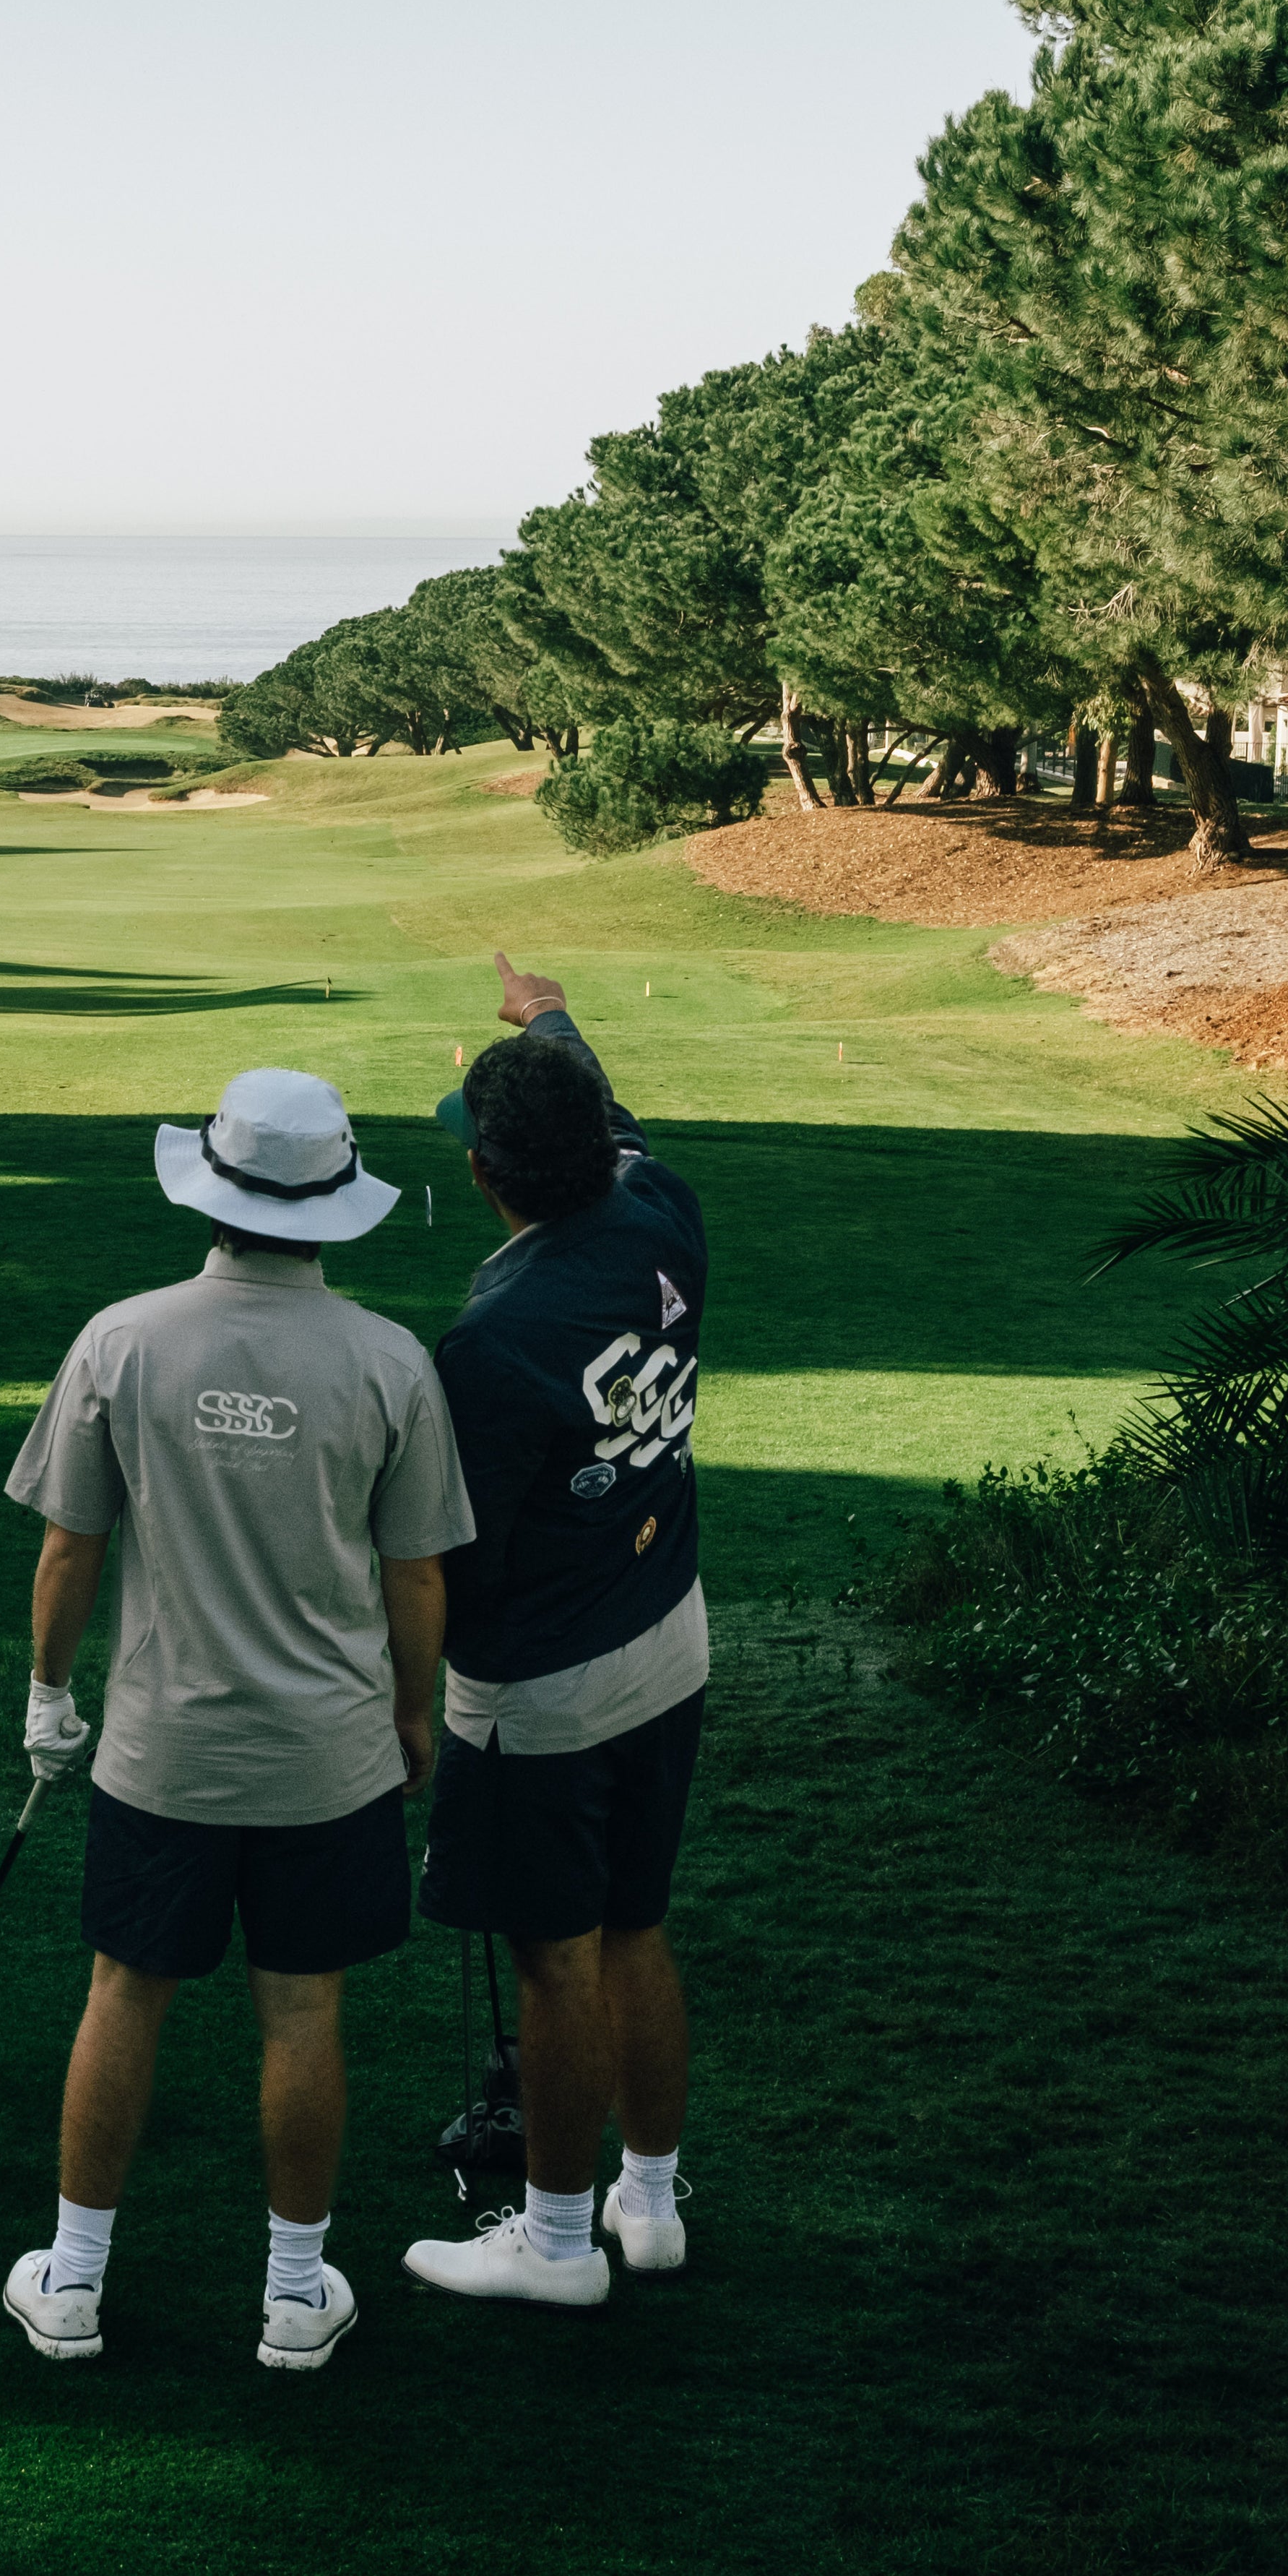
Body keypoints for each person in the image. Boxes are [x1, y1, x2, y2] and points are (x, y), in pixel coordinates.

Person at [0, 1066, 473, 2372]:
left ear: (211, 1190)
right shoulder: (390, 1360)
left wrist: (50, 1697)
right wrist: (413, 1715)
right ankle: (293, 2295)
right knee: (303, 2011)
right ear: (333, 1203)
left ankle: (75, 2285)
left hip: (165, 1750)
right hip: (329, 1756)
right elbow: (418, 1574)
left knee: (125, 1992)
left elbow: (68, 1553)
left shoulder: (124, 1339)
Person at [403, 950, 706, 2312]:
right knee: (636, 1928)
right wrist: (550, 1017)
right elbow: (608, 1111)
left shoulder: (495, 1340)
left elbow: (456, 1565)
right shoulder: (660, 1208)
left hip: (546, 1687)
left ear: (486, 1176)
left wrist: (417, 1704)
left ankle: (557, 2239)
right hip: (671, 1631)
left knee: (555, 1958)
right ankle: (650, 2204)